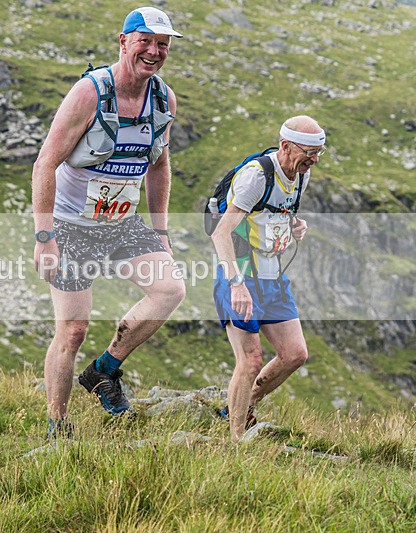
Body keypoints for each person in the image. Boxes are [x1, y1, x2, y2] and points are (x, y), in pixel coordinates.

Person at [32, 7, 186, 438]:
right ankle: (57, 427)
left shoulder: (163, 99)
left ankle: (104, 370)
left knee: (170, 289)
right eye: (145, 42)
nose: (153, 52)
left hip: (122, 222)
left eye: (163, 45)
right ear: (123, 42)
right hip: (71, 225)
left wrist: (160, 231)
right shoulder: (89, 93)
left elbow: (159, 168)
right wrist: (45, 238)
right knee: (73, 330)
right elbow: (45, 164)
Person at [211, 115, 325, 441]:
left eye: (319, 152)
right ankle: (235, 444)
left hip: (273, 275)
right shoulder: (256, 177)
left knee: (294, 354)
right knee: (250, 361)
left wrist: (294, 226)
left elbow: (278, 212)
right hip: (241, 273)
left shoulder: (302, 174)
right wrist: (236, 285)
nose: (314, 159)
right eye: (309, 151)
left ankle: (242, 405)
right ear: (285, 145)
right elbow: (221, 233)